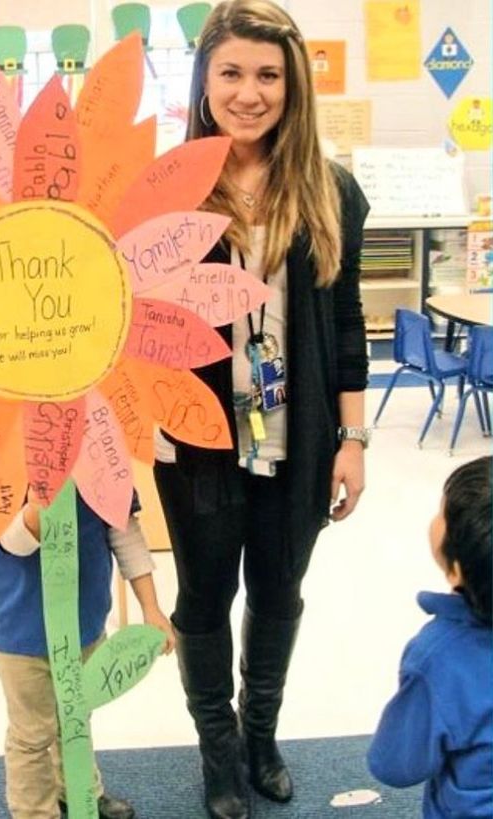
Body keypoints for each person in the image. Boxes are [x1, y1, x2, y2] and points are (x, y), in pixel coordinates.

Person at [151, 2, 370, 817]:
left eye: (268, 74)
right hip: (200, 439)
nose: (251, 92)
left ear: (293, 84)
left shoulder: (329, 189)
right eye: (232, 72)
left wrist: (352, 438)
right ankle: (216, 754)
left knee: (278, 594)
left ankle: (261, 736)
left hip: (300, 440)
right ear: (205, 82)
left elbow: (346, 325)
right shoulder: (168, 194)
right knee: (204, 597)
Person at [0, 492, 176, 819]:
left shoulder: (101, 451)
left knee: (75, 718)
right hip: (22, 635)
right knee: (32, 734)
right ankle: (35, 812)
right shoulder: (4, 461)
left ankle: (80, 792)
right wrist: (41, 500)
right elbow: (13, 542)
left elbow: (124, 529)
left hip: (84, 623)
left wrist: (150, 606)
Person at [367, 456, 493, 818]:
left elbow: (395, 765)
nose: (435, 520)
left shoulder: (438, 659)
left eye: (443, 515)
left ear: (457, 571)